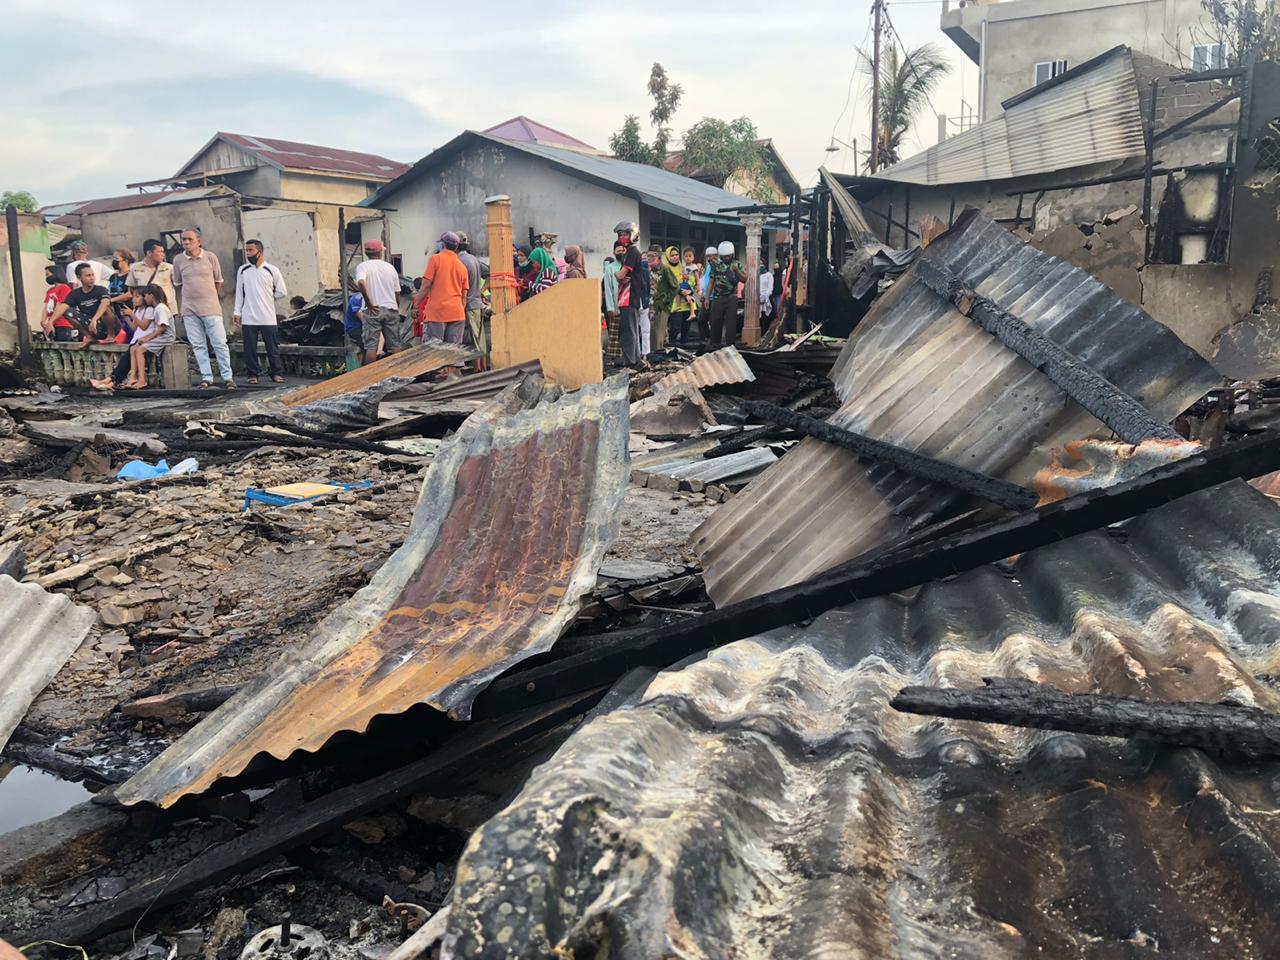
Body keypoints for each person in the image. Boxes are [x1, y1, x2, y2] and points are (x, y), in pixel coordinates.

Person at [172, 227, 235, 388]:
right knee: (198, 344)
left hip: (210, 307)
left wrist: (210, 296)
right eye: (183, 239)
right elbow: (178, 285)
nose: (186, 242)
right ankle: (207, 377)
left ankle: (227, 377)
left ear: (198, 241)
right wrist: (181, 306)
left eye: (189, 239)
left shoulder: (210, 257)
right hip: (189, 309)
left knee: (219, 342)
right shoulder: (178, 260)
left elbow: (218, 281)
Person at [232, 238, 289, 384]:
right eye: (246, 251)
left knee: (272, 347)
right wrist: (237, 312)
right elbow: (239, 292)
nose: (248, 254)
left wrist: (269, 298)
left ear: (260, 252)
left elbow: (282, 291)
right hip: (248, 315)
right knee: (250, 348)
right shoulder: (243, 270)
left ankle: (277, 373)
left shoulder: (272, 270)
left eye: (251, 250)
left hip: (267, 316)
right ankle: (253, 374)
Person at [355, 238, 403, 364]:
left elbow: (361, 282)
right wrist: (396, 306)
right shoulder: (390, 267)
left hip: (373, 311)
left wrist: (369, 303)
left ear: (366, 253)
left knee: (371, 346)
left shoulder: (362, 266)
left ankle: (371, 378)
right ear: (380, 252)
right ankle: (399, 375)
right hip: (391, 309)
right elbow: (397, 292)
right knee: (395, 345)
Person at [417, 231, 469, 344]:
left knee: (434, 353)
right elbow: (464, 297)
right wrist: (459, 311)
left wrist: (415, 305)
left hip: (437, 314)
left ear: (442, 244)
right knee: (453, 354)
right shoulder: (462, 267)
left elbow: (426, 286)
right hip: (457, 314)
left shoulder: (435, 259)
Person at [50, 263, 115, 343]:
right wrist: (50, 322)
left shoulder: (101, 289)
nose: (92, 278)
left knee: (106, 308)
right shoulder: (75, 293)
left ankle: (111, 336)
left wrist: (95, 319)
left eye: (92, 275)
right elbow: (63, 306)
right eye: (88, 276)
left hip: (108, 325)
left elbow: (105, 302)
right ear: (79, 277)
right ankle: (88, 336)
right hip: (91, 326)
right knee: (67, 312)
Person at [612, 220, 644, 367]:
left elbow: (620, 275)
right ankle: (635, 357)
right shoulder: (629, 252)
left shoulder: (632, 253)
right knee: (632, 328)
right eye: (620, 235)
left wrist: (618, 275)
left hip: (630, 296)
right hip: (628, 296)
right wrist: (619, 276)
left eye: (625, 234)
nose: (622, 237)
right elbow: (621, 277)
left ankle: (630, 359)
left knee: (628, 329)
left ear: (633, 235)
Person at [455, 231, 489, 368]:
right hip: (477, 304)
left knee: (472, 340)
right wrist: (481, 291)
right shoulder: (473, 259)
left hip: (467, 305)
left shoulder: (458, 262)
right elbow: (490, 274)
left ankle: (478, 371)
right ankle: (482, 369)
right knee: (480, 339)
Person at [706, 240, 745, 349]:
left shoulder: (736, 264)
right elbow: (711, 281)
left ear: (732, 254)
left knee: (731, 323)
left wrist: (737, 271)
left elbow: (745, 279)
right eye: (724, 256)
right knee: (715, 322)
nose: (726, 258)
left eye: (728, 256)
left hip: (731, 297)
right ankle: (715, 345)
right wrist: (707, 298)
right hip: (718, 298)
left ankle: (730, 346)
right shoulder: (716, 265)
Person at [126, 240, 177, 320]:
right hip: (145, 310)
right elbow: (131, 289)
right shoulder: (135, 268)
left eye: (163, 252)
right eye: (160, 252)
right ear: (149, 253)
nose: (163, 255)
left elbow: (178, 284)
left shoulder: (169, 268)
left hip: (167, 308)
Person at [654, 246, 683, 348]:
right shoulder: (660, 268)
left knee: (672, 329)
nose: (675, 257)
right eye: (672, 255)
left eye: (676, 255)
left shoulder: (677, 268)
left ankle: (663, 351)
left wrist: (666, 299)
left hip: (674, 304)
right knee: (656, 331)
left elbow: (676, 286)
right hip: (656, 304)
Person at [41, 269, 73, 341]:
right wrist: (43, 321)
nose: (47, 277)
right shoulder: (50, 290)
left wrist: (50, 322)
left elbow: (60, 305)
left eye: (48, 274)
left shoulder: (64, 288)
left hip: (62, 324)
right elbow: (46, 306)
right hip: (52, 324)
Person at [602, 249, 622, 364]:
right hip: (611, 307)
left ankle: (620, 356)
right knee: (613, 332)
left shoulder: (623, 268)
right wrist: (610, 307)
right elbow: (608, 291)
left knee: (620, 332)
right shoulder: (608, 273)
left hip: (620, 305)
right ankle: (614, 357)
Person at [343, 290, 364, 371]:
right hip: (355, 328)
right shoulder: (356, 298)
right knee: (368, 345)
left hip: (364, 326)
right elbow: (363, 319)